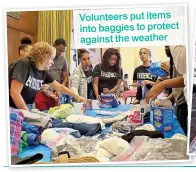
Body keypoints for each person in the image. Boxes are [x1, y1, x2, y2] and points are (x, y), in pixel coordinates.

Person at [9, 42, 85, 111]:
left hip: (27, 105)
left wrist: (76, 95)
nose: (52, 62)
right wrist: (27, 115)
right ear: (43, 56)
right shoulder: (23, 64)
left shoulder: (43, 71)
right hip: (13, 108)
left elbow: (59, 87)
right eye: (51, 58)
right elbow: (14, 93)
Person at [146, 45, 187, 135]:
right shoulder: (169, 62)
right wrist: (166, 99)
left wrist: (163, 84)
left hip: (184, 103)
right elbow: (177, 89)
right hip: (179, 102)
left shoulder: (182, 55)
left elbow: (186, 79)